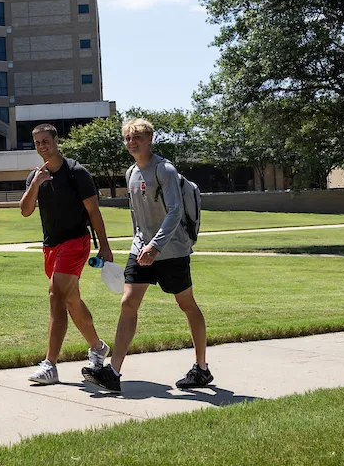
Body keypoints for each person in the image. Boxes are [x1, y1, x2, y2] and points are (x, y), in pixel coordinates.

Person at [84, 117, 212, 393]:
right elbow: (136, 215)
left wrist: (155, 245)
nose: (131, 142)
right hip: (141, 249)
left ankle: (201, 368)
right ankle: (113, 373)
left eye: (137, 138)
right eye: (128, 138)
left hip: (171, 251)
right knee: (128, 302)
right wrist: (140, 244)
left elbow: (175, 211)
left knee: (187, 304)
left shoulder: (164, 170)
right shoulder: (131, 173)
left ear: (149, 139)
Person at [19, 123, 114, 385]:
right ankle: (97, 347)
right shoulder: (35, 176)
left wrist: (104, 246)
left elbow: (94, 212)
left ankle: (50, 365)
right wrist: (36, 184)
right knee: (71, 301)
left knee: (55, 295)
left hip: (76, 242)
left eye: (46, 141)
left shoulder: (76, 173)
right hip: (51, 246)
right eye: (37, 142)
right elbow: (25, 210)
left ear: (56, 141)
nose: (42, 146)